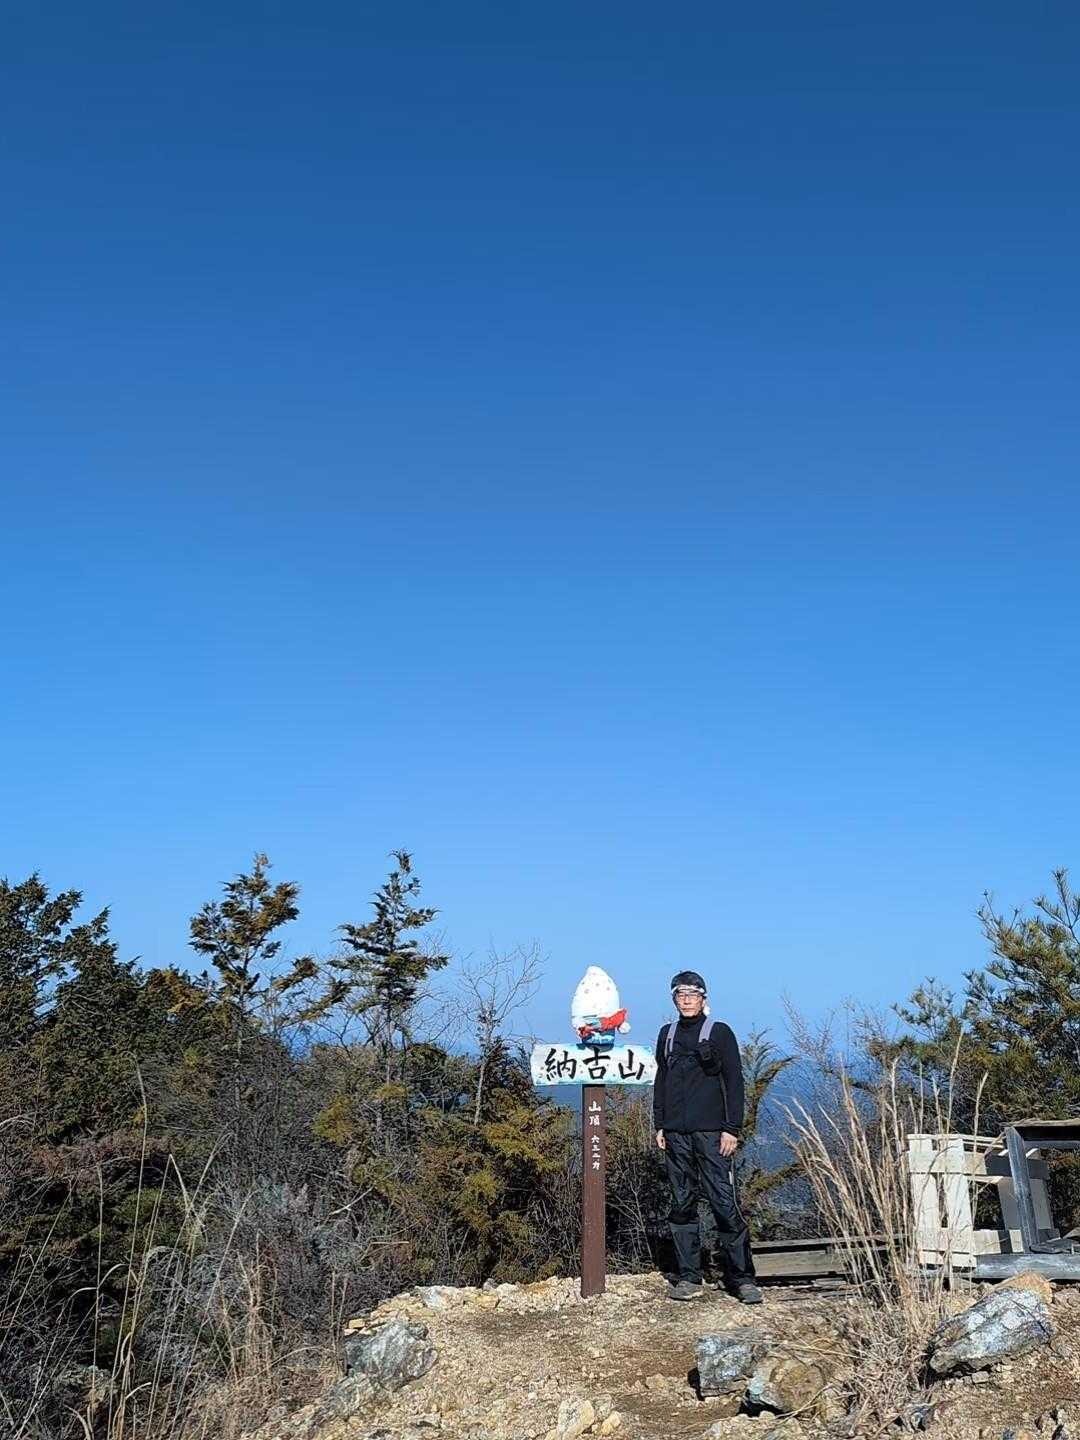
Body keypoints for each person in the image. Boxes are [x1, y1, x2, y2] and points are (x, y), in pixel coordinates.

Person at [652, 969, 762, 1303]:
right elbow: (661, 1081)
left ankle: (742, 1279)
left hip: (713, 1133)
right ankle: (689, 1277)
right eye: (681, 995)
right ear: (674, 999)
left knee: (723, 1202)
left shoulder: (719, 1032)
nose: (687, 1000)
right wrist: (660, 1124)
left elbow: (734, 1082)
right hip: (676, 1133)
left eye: (693, 994)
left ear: (703, 998)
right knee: (681, 1204)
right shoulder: (667, 1034)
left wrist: (732, 1128)